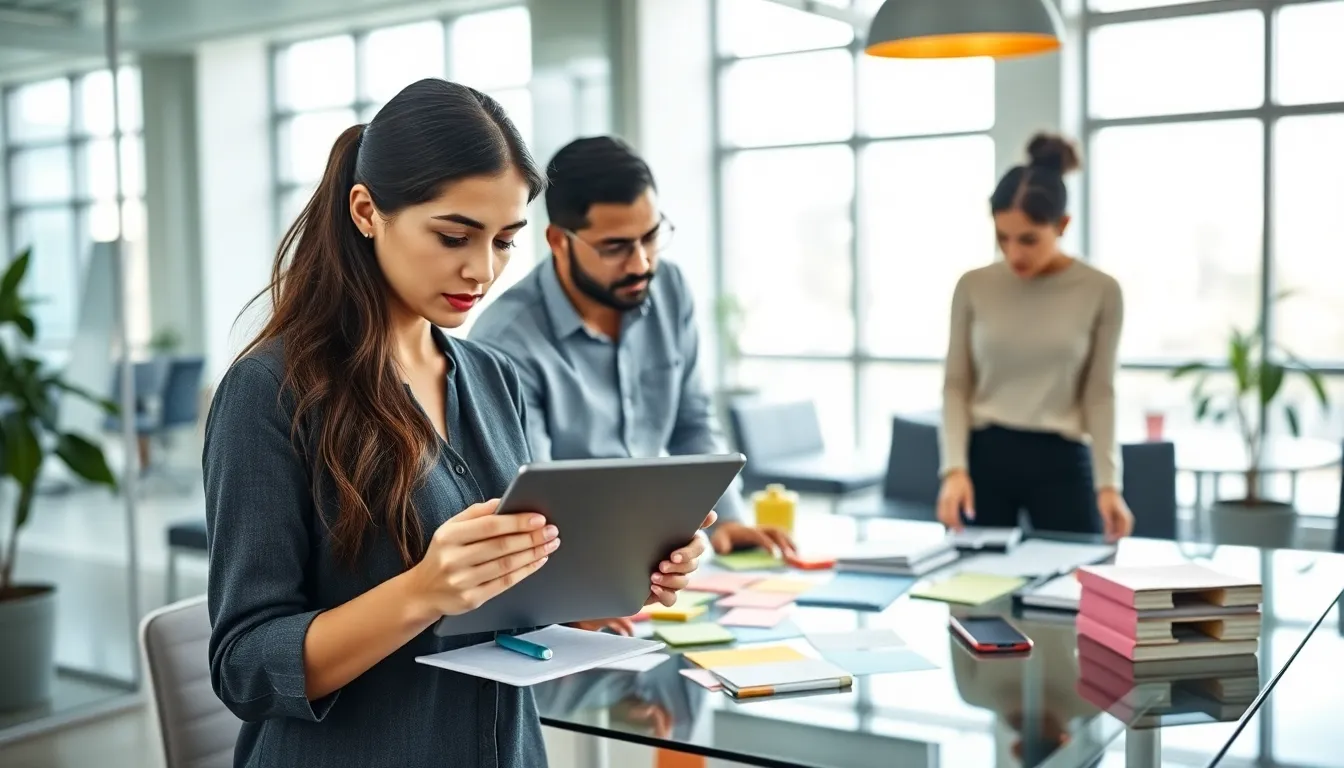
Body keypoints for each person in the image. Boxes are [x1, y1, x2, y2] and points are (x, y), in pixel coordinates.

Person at [203, 80, 710, 768]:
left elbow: (509, 609)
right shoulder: (270, 392)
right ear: (366, 211)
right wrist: (422, 591)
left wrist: (616, 576)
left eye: (504, 241)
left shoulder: (492, 377)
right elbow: (246, 668)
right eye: (453, 236)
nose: (482, 269)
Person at [468, 136, 793, 578]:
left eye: (651, 237)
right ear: (559, 241)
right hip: (564, 569)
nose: (641, 264)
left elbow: (692, 423)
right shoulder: (506, 341)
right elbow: (534, 502)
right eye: (615, 247)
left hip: (651, 563)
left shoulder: (669, 290)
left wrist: (729, 521)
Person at [937, 133, 1134, 541]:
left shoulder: (1101, 291)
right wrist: (954, 469)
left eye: (1028, 239)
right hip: (984, 460)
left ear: (1062, 225)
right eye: (1002, 237)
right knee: (975, 577)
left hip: (1062, 461)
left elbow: (1100, 393)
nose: (1014, 253)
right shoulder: (973, 286)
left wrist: (1109, 486)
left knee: (1078, 574)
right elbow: (956, 385)